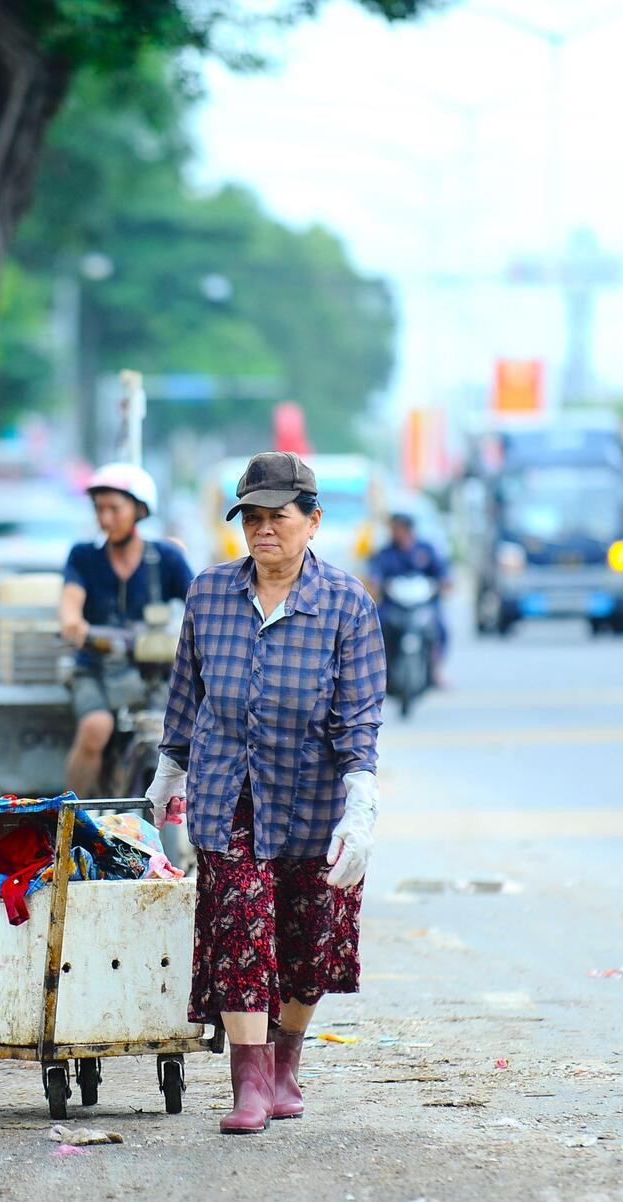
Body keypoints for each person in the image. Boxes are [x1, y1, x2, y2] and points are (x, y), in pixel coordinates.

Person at [146, 451, 385, 1135]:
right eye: (251, 518)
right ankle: (248, 1084)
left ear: (313, 521)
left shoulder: (346, 605)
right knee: (241, 927)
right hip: (229, 792)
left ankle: (285, 1062)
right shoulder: (209, 593)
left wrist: (360, 808)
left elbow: (360, 716)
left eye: (277, 517)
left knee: (313, 940)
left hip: (313, 797)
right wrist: (170, 772)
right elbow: (186, 693)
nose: (262, 531)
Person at [58, 463, 193, 796]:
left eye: (114, 509)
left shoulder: (166, 558)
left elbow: (200, 602)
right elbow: (71, 598)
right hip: (96, 666)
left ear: (139, 510)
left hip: (155, 671)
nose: (105, 518)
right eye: (99, 509)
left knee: (181, 731)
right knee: (96, 727)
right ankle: (68, 817)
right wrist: (72, 622)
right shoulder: (84, 556)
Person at [369, 509, 450, 685]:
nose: (394, 533)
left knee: (440, 628)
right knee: (376, 627)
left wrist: (444, 582)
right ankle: (378, 670)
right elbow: (375, 572)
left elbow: (442, 572)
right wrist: (375, 583)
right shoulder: (386, 553)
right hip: (394, 605)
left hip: (423, 604)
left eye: (398, 528)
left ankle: (436, 669)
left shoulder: (425, 550)